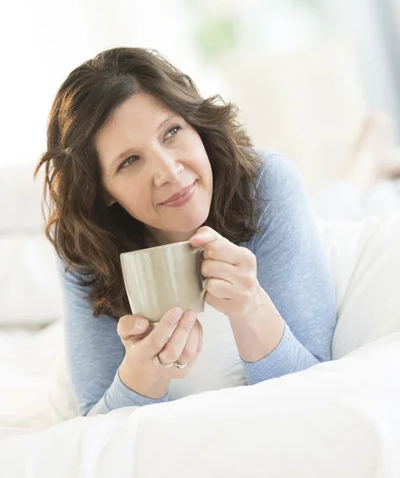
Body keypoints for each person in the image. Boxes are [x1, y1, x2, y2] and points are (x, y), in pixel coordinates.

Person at [35, 47, 337, 416]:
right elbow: (94, 423)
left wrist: (251, 307)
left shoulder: (265, 183)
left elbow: (319, 389)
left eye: (172, 131)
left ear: (196, 124)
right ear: (102, 191)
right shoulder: (85, 247)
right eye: (130, 161)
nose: (169, 172)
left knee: (347, 200)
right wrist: (142, 376)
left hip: (324, 230)